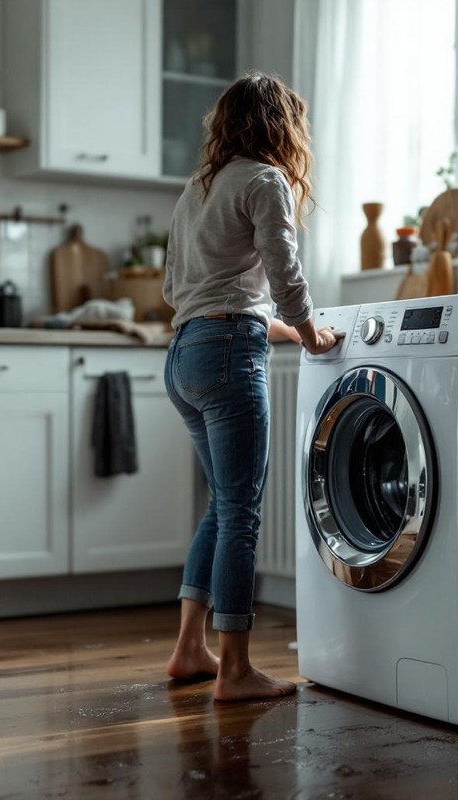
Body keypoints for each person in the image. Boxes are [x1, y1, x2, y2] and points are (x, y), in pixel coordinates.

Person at [162, 71, 343, 702]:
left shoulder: (197, 188)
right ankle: (235, 671)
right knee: (241, 511)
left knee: (221, 503)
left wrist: (286, 332)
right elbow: (283, 271)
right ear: (282, 126)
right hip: (229, 353)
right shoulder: (265, 180)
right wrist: (310, 331)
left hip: (183, 356)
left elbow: (182, 290)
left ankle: (190, 649)